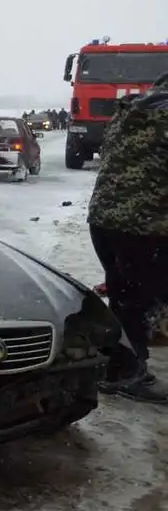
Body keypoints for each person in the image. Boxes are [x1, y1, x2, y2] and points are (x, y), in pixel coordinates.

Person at [87, 72, 168, 403]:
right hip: (146, 226)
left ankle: (114, 363)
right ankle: (126, 373)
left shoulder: (130, 111)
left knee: (125, 294)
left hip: (105, 219)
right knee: (141, 298)